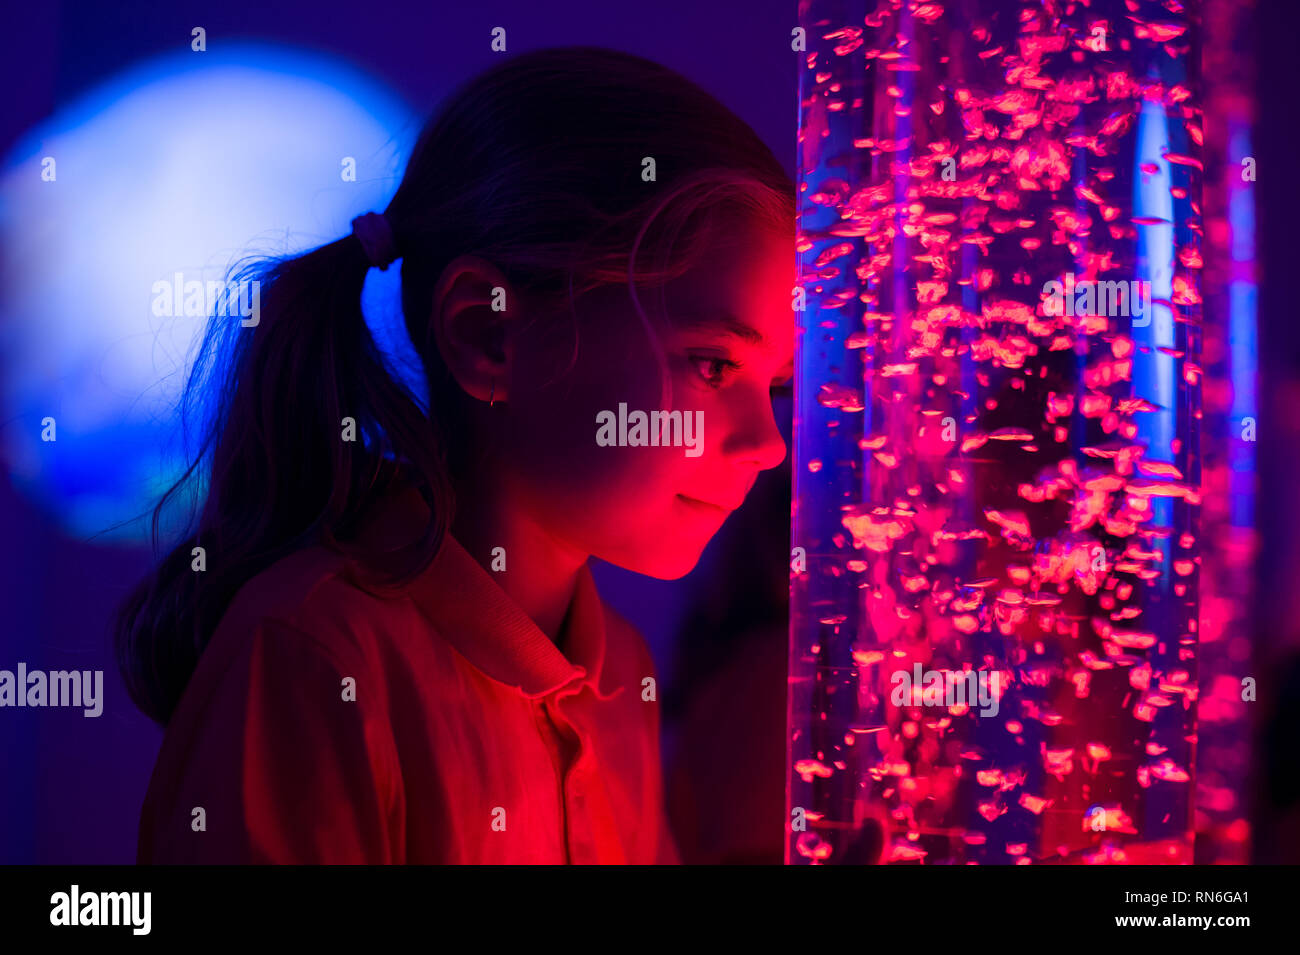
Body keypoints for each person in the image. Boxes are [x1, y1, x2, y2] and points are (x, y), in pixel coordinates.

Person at [113, 46, 795, 864]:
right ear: (489, 335)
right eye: (715, 364)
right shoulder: (313, 656)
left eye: (775, 385)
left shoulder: (620, 681)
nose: (769, 445)